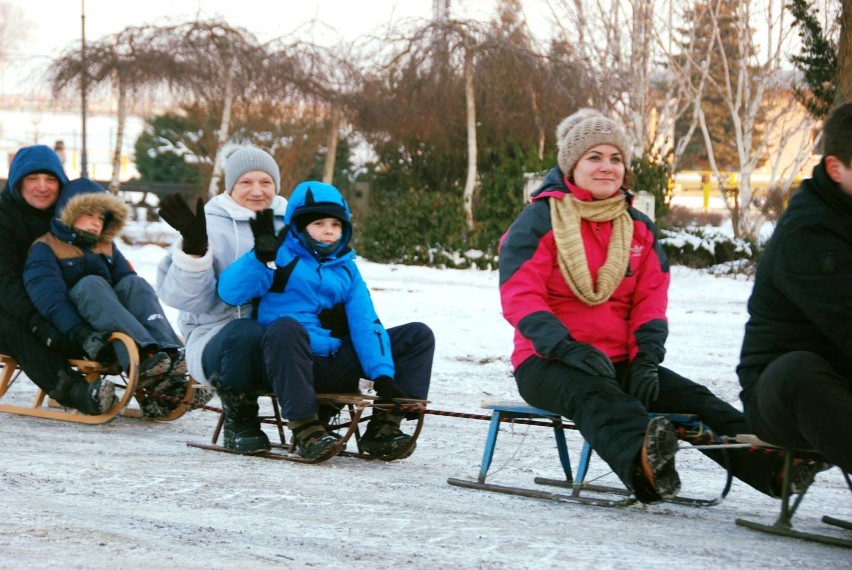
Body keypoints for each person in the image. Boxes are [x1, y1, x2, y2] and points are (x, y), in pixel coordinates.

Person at [498, 109, 784, 504]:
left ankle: (774, 463)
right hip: (548, 360)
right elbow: (520, 295)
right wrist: (564, 347)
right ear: (571, 165)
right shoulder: (537, 223)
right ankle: (645, 465)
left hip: (621, 358)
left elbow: (650, 299)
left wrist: (647, 358)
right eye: (594, 157)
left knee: (693, 399)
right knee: (598, 398)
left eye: (616, 158)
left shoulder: (638, 228)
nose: (607, 167)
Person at [217, 180, 435, 460]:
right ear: (299, 225)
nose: (329, 230)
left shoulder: (347, 269)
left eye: (336, 224)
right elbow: (230, 293)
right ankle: (306, 427)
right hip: (289, 361)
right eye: (319, 223)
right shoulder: (278, 256)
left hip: (335, 360)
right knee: (284, 327)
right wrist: (259, 259)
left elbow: (366, 323)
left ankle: (385, 425)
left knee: (418, 335)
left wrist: (382, 375)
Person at [737, 101, 852, 475]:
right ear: (835, 168)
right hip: (781, 397)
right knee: (798, 372)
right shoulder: (809, 234)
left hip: (840, 380)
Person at [157, 146, 287, 454]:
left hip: (278, 341)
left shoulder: (291, 225)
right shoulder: (209, 225)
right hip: (216, 340)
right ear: (231, 186)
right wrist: (195, 249)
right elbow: (187, 299)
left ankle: (312, 422)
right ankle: (240, 422)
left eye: (265, 182)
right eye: (246, 182)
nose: (257, 191)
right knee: (245, 331)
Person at [23, 178, 188, 418]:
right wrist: (80, 332)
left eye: (101, 218)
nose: (95, 222)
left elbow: (131, 290)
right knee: (91, 284)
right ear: (68, 211)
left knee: (135, 283)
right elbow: (51, 301)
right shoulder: (45, 248)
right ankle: (145, 358)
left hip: (115, 323)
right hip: (84, 332)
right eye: (89, 214)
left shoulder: (106, 246)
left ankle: (169, 355)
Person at [0, 145, 115, 415]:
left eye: (50, 179)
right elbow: (3, 283)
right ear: (17, 182)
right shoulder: (3, 217)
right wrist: (38, 322)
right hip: (10, 306)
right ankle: (73, 391)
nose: (42, 187)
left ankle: (149, 377)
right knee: (18, 327)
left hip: (53, 301)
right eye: (32, 179)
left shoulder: (65, 216)